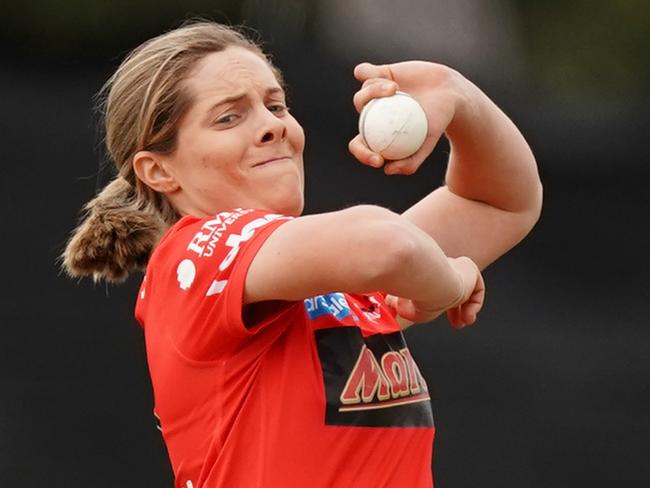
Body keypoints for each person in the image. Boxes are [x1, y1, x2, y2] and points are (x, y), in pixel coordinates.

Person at [63, 21, 542, 488]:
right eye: (229, 117)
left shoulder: (339, 284)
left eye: (275, 105)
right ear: (159, 171)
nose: (272, 126)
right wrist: (450, 282)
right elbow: (387, 245)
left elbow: (500, 202)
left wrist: (456, 94)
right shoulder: (192, 256)